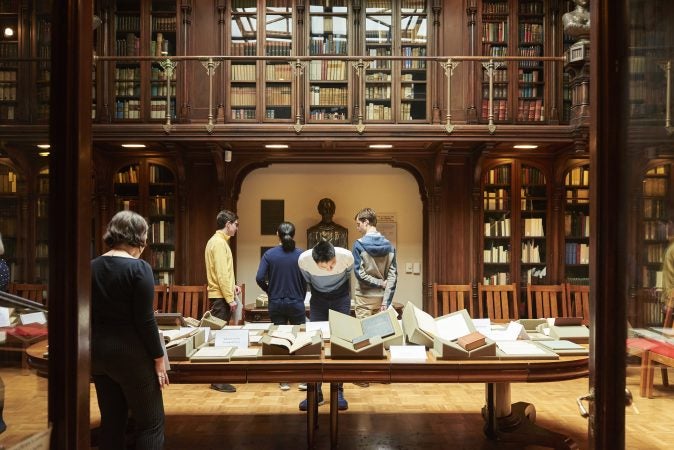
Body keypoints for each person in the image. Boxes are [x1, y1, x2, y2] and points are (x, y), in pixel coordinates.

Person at [91, 210, 167, 449]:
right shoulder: (139, 269)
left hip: (98, 354)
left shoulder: (91, 266)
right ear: (138, 238)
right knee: (151, 425)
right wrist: (158, 358)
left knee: (112, 423)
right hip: (131, 356)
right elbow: (145, 321)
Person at [297, 240, 353, 411]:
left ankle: (338, 391)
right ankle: (316, 392)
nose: (330, 269)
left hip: (341, 297)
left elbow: (348, 276)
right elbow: (307, 281)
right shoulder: (303, 260)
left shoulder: (346, 256)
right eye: (325, 267)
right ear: (315, 263)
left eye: (332, 264)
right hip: (318, 299)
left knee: (341, 342)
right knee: (315, 343)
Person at [256, 221, 306, 391]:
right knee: (301, 339)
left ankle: (284, 379)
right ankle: (304, 379)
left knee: (280, 340)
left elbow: (259, 277)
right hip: (296, 302)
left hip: (276, 302)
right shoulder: (301, 255)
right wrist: (301, 293)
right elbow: (308, 278)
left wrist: (269, 290)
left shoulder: (269, 254)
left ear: (277, 234)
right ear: (294, 234)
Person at [205, 209, 241, 393]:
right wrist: (229, 298)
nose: (236, 228)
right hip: (220, 298)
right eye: (236, 224)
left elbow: (224, 273)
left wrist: (233, 286)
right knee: (219, 339)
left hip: (220, 295)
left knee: (219, 336)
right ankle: (217, 380)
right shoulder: (219, 243)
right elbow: (220, 273)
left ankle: (218, 378)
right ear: (228, 224)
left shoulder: (217, 241)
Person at [352, 208, 398, 319]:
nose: (357, 228)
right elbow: (393, 277)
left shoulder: (358, 245)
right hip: (381, 299)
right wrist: (386, 302)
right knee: (380, 334)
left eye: (358, 224)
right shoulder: (390, 246)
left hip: (363, 298)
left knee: (364, 334)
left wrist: (379, 283)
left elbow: (360, 274)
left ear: (366, 222)